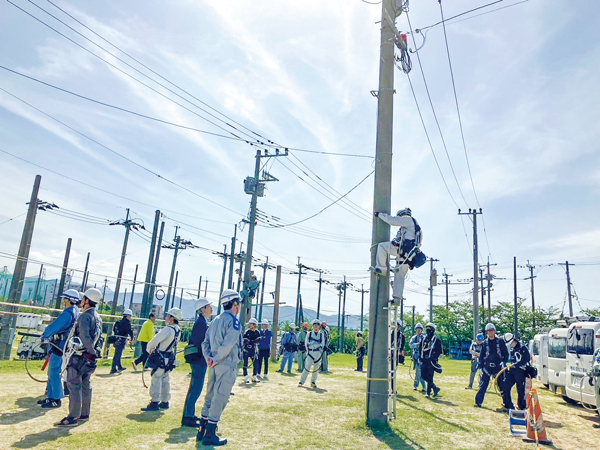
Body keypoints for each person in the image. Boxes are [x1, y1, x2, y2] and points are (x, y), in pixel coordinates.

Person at [197, 289, 243, 446]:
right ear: (235, 303)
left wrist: (209, 358)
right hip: (226, 364)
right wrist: (216, 359)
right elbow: (228, 344)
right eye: (239, 303)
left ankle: (202, 428)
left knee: (210, 396)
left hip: (213, 365)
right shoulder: (234, 321)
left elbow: (205, 343)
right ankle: (210, 434)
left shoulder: (215, 320)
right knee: (220, 397)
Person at [56, 288, 104, 427]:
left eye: (83, 299)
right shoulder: (98, 317)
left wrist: (89, 353)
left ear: (87, 301)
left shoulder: (85, 317)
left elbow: (84, 336)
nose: (81, 301)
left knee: (74, 385)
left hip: (79, 356)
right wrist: (94, 354)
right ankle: (84, 413)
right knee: (85, 384)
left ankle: (72, 417)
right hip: (89, 357)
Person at [370, 208, 424, 301]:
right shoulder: (417, 229)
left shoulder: (408, 219)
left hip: (402, 250)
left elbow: (392, 221)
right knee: (399, 275)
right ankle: (397, 298)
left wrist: (379, 215)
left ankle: (382, 269)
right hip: (409, 256)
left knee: (382, 247)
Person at [39, 289, 80, 408]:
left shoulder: (67, 313)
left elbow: (53, 327)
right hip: (63, 345)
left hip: (59, 345)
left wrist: (45, 335)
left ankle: (56, 399)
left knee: (54, 372)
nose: (63, 300)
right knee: (52, 371)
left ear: (67, 299)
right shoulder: (74, 311)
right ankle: (50, 397)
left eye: (64, 298)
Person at [141, 308, 182, 412]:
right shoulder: (178, 330)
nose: (167, 318)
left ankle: (155, 401)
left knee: (156, 377)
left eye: (168, 316)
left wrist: (149, 349)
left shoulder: (168, 329)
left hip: (161, 357)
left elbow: (155, 341)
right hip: (169, 358)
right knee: (165, 379)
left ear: (172, 318)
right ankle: (165, 401)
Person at [181, 298, 212, 427]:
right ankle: (188, 417)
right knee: (196, 388)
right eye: (208, 306)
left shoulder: (201, 322)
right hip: (199, 359)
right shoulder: (201, 323)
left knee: (195, 387)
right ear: (202, 309)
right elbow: (200, 342)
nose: (211, 309)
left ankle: (189, 414)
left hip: (199, 359)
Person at [475, 323, 509, 408]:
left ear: (495, 331)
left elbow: (506, 354)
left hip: (498, 367)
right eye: (489, 331)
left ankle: (507, 404)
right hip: (487, 367)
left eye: (492, 330)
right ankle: (478, 402)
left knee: (502, 386)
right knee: (483, 385)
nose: (490, 332)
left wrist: (504, 362)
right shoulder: (485, 343)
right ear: (487, 332)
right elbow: (482, 356)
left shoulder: (500, 341)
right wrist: (481, 367)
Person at [500, 333, 532, 412]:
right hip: (512, 370)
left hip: (521, 371)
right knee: (505, 386)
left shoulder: (523, 347)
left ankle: (521, 407)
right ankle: (508, 405)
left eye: (511, 343)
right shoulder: (512, 349)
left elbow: (526, 359)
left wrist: (516, 365)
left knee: (520, 389)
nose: (510, 345)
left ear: (514, 340)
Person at [298, 320, 326, 388]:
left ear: (319, 326)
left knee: (316, 369)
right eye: (314, 325)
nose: (316, 326)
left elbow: (322, 344)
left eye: (317, 325)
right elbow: (306, 344)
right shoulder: (309, 334)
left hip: (318, 354)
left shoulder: (321, 335)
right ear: (313, 326)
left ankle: (313, 381)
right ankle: (302, 381)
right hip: (311, 353)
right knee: (307, 368)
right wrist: (308, 353)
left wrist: (320, 353)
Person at [420, 322, 442, 398]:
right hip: (424, 361)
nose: (428, 330)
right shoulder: (424, 338)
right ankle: (435, 388)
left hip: (431, 361)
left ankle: (428, 392)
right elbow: (421, 348)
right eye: (427, 329)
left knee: (430, 376)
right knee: (423, 376)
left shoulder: (436, 340)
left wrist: (433, 357)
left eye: (429, 329)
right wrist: (420, 357)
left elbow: (439, 351)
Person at [110, 309, 134, 374]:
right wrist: (132, 338)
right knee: (118, 354)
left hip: (116, 339)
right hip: (122, 339)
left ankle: (119, 366)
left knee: (118, 353)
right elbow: (130, 331)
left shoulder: (118, 322)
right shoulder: (127, 323)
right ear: (128, 316)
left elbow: (114, 330)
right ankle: (113, 368)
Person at [243, 318, 261, 383]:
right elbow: (245, 339)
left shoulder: (257, 332)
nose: (250, 325)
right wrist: (248, 341)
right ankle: (246, 376)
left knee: (255, 363)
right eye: (249, 324)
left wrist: (253, 341)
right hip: (247, 349)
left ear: (254, 325)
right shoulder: (247, 332)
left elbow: (258, 340)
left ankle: (254, 376)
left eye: (251, 324)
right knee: (245, 363)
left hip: (254, 350)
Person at [409, 323, 426, 392]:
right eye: (417, 330)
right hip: (416, 357)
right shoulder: (414, 338)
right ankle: (418, 386)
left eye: (419, 330)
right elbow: (410, 345)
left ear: (422, 330)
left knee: (421, 372)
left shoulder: (424, 337)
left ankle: (420, 386)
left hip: (422, 357)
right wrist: (417, 344)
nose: (418, 331)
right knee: (418, 372)